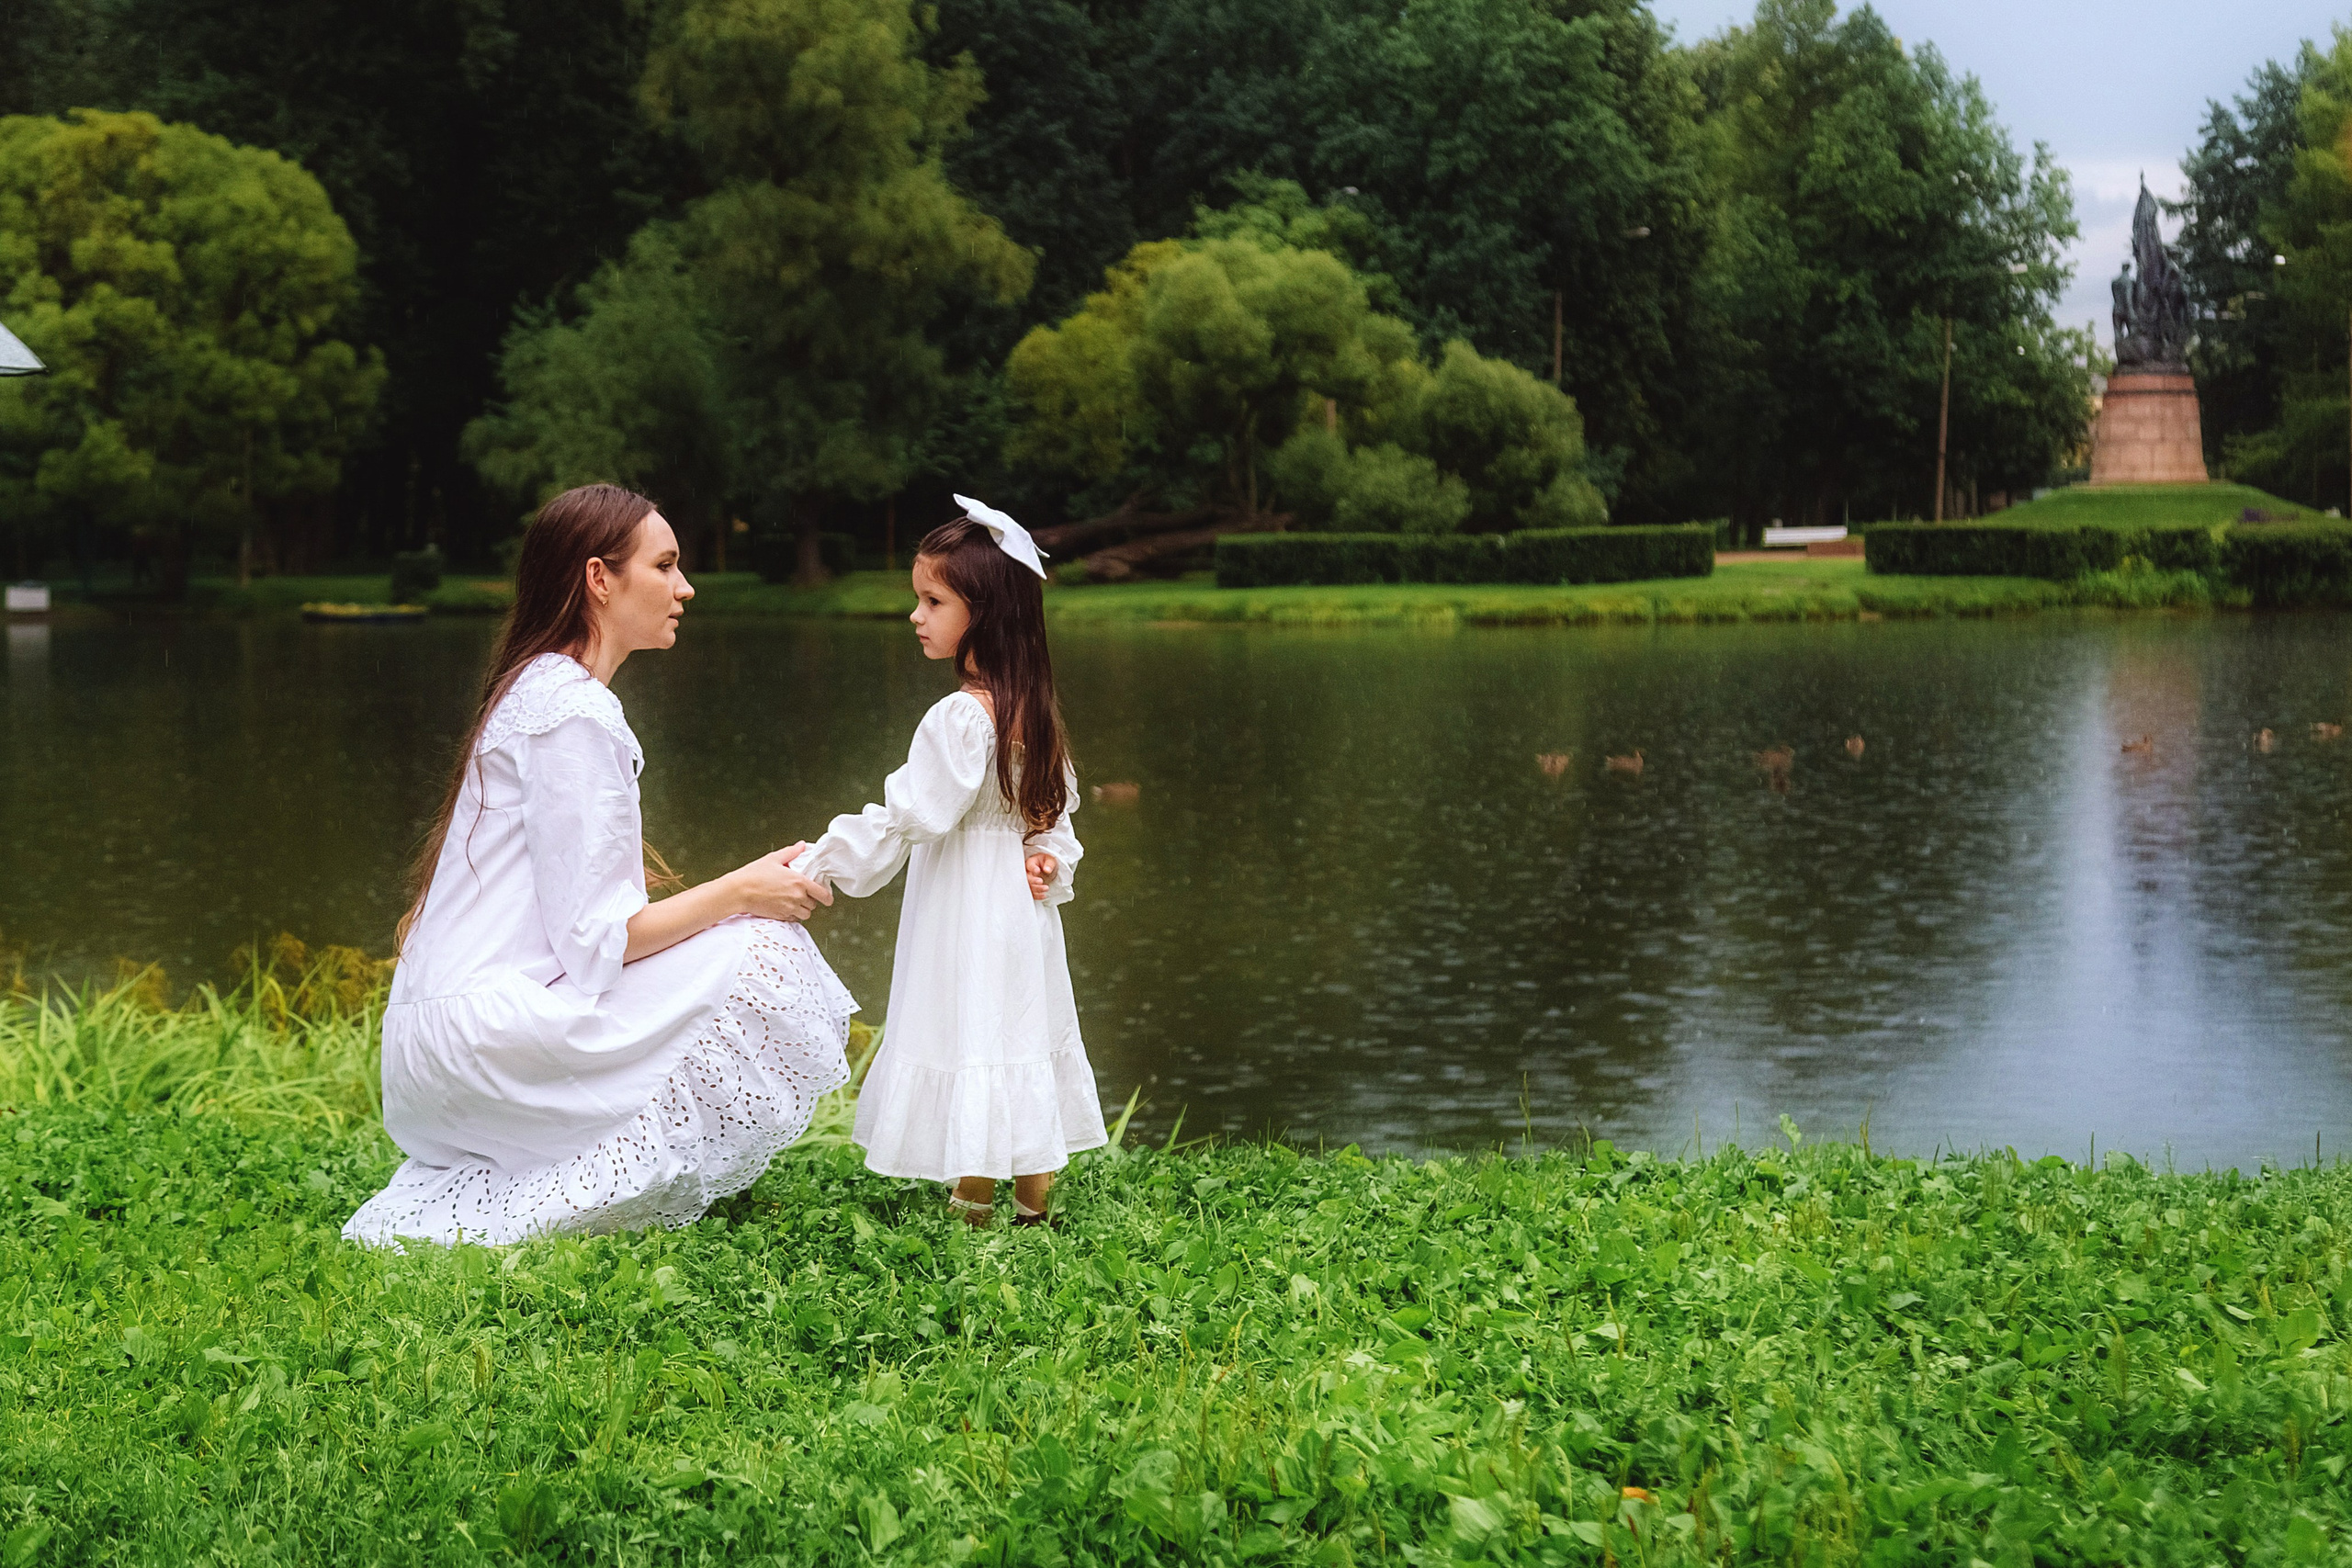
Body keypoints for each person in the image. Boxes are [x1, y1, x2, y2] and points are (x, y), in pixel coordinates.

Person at [343, 483, 854, 1247]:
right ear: (599, 578)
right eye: (666, 565)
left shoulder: (533, 689)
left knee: (729, 936)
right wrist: (744, 889)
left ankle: (527, 1176)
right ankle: (587, 1194)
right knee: (763, 950)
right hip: (480, 1043)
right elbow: (600, 942)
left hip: (434, 1054)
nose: (686, 587)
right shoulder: (573, 710)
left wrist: (738, 892)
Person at [793, 497, 1105, 1226]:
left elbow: (910, 817)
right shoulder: (1033, 710)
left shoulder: (963, 716)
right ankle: (1034, 1206)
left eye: (933, 600)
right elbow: (1053, 818)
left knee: (971, 1034)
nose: (916, 615)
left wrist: (823, 859)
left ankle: (972, 1205)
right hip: (1020, 924)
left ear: (985, 612)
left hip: (968, 911)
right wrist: (1043, 862)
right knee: (1018, 1035)